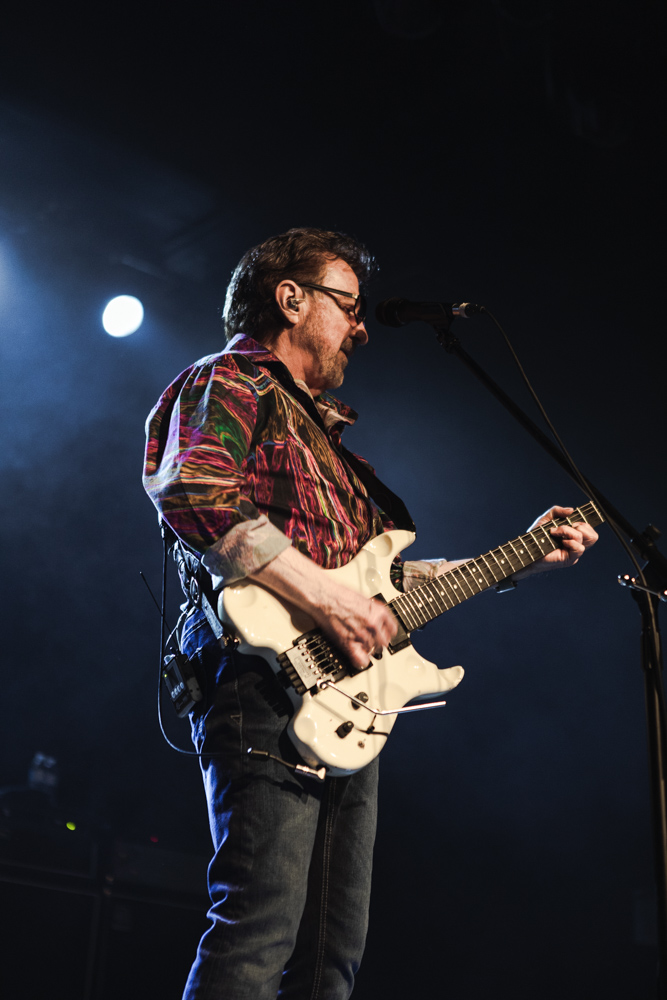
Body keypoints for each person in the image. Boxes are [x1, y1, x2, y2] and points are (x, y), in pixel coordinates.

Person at [142, 227, 598, 1000]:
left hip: (345, 700)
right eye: (346, 305)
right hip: (261, 681)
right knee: (257, 930)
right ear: (290, 298)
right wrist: (321, 597)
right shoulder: (230, 382)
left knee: (331, 957)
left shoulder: (331, 442)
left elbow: (373, 585)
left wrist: (520, 555)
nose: (359, 326)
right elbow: (192, 487)